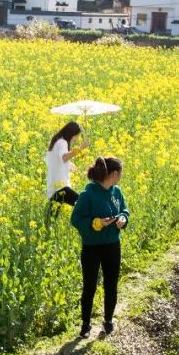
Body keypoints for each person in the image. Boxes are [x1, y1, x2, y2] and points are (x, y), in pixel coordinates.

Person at [70, 157, 129, 338]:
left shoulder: (116, 192)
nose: (120, 176)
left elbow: (125, 210)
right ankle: (86, 325)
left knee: (111, 285)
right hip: (92, 248)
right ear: (113, 174)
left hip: (113, 245)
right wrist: (96, 223)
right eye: (120, 173)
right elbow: (76, 219)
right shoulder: (87, 195)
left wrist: (123, 219)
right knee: (90, 287)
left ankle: (108, 321)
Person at [46, 121, 90, 206]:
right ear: (72, 134)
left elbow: (57, 160)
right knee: (84, 204)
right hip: (61, 187)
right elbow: (64, 157)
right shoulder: (63, 142)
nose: (76, 139)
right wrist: (81, 148)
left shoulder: (56, 142)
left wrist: (69, 164)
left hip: (54, 188)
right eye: (76, 136)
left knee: (51, 217)